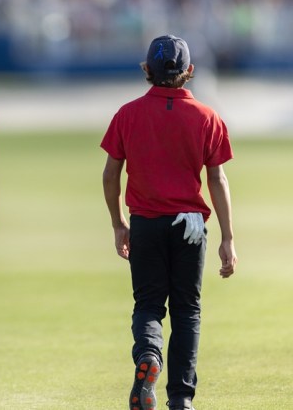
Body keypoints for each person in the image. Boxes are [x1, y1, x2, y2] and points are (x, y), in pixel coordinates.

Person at [100, 35, 237, 410]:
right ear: (190, 72)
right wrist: (228, 238)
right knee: (186, 311)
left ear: (146, 70)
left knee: (148, 306)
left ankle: (149, 356)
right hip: (190, 226)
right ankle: (181, 398)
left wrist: (118, 222)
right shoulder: (208, 118)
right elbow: (216, 179)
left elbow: (111, 174)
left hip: (145, 222)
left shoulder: (127, 115)